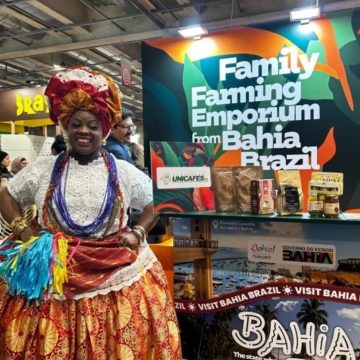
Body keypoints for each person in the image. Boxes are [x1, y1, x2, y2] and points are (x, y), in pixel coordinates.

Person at [0, 66, 182, 359]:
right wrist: (24, 231)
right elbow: (5, 194)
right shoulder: (44, 168)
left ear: (104, 130)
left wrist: (138, 232)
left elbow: (158, 200)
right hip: (50, 275)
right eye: (76, 124)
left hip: (115, 273)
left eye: (92, 125)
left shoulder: (122, 171)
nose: (84, 131)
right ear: (66, 128)